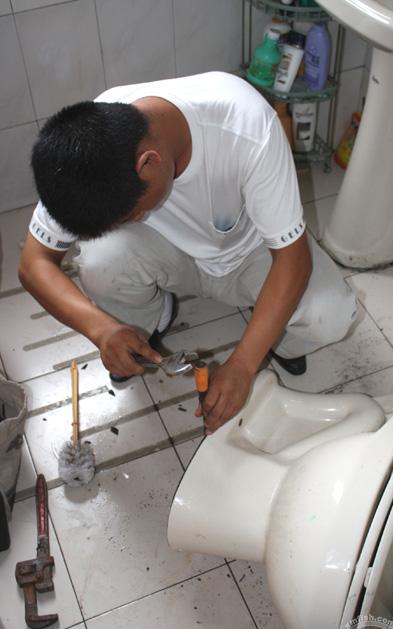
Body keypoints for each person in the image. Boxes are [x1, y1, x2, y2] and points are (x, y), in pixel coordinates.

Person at [19, 71, 357, 434]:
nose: (135, 218)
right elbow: (34, 264)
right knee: (99, 262)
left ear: (149, 162)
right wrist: (101, 329)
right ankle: (149, 319)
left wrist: (243, 365)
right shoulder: (88, 152)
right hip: (170, 254)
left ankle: (277, 338)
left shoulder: (246, 126)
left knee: (330, 316)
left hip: (250, 253)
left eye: (132, 214)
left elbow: (292, 259)